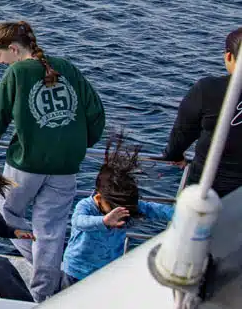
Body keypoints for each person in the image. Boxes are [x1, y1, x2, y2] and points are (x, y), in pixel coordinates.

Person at [0, 20, 105, 301]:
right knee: (51, 229)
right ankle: (43, 293)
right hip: (66, 165)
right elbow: (96, 113)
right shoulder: (68, 67)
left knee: (5, 214)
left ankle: (38, 261)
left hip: (27, 163)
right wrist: (78, 145)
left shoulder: (18, 73)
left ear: (13, 49)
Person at [62, 134, 175, 286]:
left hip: (107, 270)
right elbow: (78, 221)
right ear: (100, 196)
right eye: (113, 208)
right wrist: (104, 221)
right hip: (77, 271)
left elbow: (153, 209)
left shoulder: (124, 207)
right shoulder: (86, 206)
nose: (118, 212)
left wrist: (182, 215)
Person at [159, 27, 242, 197]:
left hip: (206, 193)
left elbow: (181, 136)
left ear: (228, 56)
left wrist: (174, 155)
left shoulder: (207, 89)